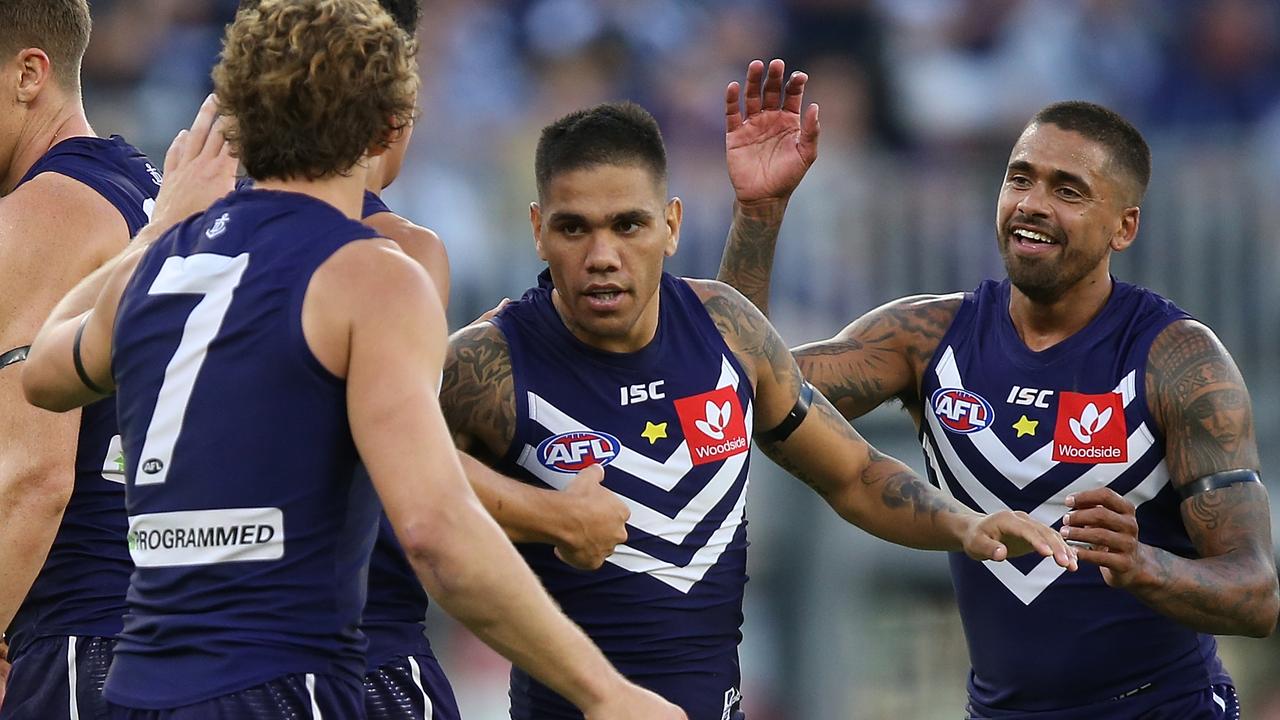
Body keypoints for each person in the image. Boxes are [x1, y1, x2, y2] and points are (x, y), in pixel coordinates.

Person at [21, 1, 684, 718]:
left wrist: (158, 231)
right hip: (284, 689)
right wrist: (606, 692)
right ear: (391, 123)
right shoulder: (374, 273)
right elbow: (434, 527)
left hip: (140, 693)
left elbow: (45, 367)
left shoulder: (164, 266)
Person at [439, 96, 1076, 720]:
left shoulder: (726, 326)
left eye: (627, 224)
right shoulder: (483, 368)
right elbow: (402, 503)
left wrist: (965, 526)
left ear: (672, 225)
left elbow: (852, 473)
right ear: (537, 230)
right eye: (573, 227)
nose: (601, 255)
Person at [716, 59, 1280, 718]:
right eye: (1021, 178)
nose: (1033, 204)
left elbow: (1257, 593)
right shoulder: (924, 337)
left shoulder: (1178, 361)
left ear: (1124, 227)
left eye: (1069, 190)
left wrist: (1145, 565)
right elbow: (739, 394)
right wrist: (759, 212)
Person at [0, 1, 162, 716]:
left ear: (29, 73)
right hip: (170, 631)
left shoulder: (47, 211)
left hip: (79, 638)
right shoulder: (143, 192)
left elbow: (33, 476)